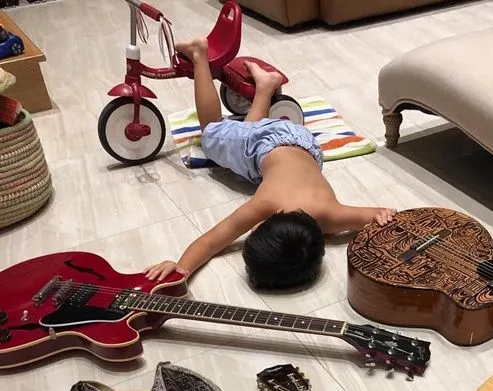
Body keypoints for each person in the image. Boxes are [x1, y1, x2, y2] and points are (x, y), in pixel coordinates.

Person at [145, 38, 396, 289]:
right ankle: (199, 53)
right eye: (253, 231)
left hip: (306, 144)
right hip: (269, 143)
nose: (250, 229)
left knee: (247, 144)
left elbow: (382, 216)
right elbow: (212, 241)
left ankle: (265, 87)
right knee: (211, 135)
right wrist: (181, 270)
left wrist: (385, 217)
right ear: (268, 219)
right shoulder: (266, 204)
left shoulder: (333, 216)